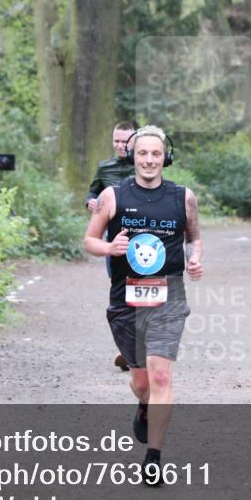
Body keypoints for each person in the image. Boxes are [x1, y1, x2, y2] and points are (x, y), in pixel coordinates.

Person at [83, 125, 203, 485]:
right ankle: (143, 403)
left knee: (162, 374)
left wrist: (195, 259)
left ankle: (153, 457)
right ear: (132, 157)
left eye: (155, 154)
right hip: (125, 299)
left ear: (165, 157)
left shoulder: (184, 197)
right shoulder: (112, 196)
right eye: (142, 154)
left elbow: (195, 238)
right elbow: (89, 240)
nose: (149, 160)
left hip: (169, 296)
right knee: (141, 382)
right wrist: (109, 248)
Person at [85, 122, 136, 371]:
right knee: (121, 291)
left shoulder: (145, 165)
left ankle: (139, 346)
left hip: (145, 240)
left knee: (146, 291)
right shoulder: (105, 167)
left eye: (125, 141)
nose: (120, 145)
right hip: (114, 240)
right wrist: (91, 203)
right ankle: (127, 348)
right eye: (116, 140)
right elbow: (92, 193)